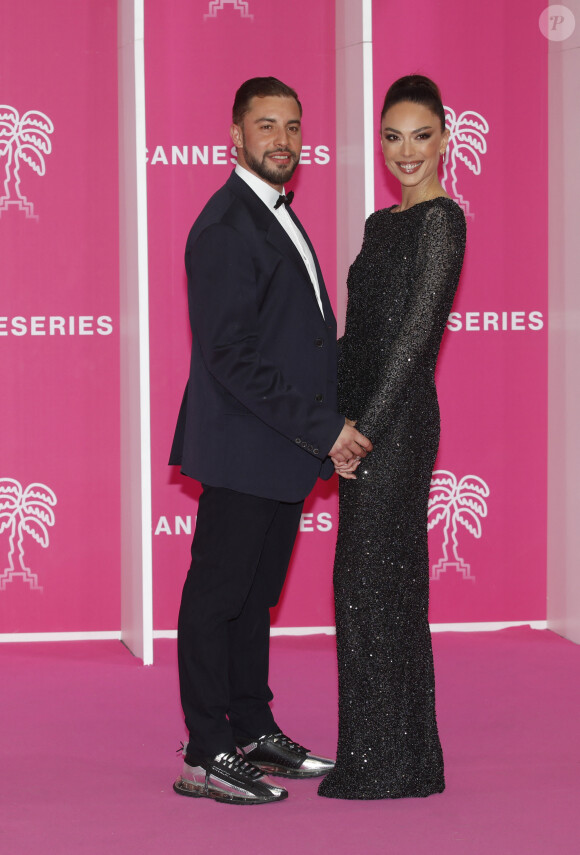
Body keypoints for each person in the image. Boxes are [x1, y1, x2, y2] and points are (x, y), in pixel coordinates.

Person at [169, 77, 372, 806]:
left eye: (291, 125)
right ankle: (205, 750)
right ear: (235, 133)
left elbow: (299, 340)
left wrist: (325, 430)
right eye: (265, 126)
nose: (281, 139)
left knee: (253, 599)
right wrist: (325, 429)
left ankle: (251, 727)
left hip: (279, 449)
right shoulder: (227, 226)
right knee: (217, 596)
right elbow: (233, 356)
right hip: (243, 447)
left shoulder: (274, 214)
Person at [318, 75, 467, 800]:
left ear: (445, 137)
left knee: (378, 584)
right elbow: (360, 338)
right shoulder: (382, 225)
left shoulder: (443, 221)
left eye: (421, 135)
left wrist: (365, 433)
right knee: (366, 586)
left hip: (400, 427)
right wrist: (331, 424)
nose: (406, 152)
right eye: (392, 136)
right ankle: (392, 755)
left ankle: (392, 760)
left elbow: (413, 341)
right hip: (363, 425)